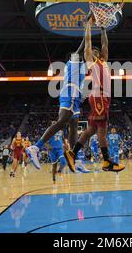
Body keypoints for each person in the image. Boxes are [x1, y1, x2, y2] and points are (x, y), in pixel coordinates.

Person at [65, 15, 124, 173]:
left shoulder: (103, 60)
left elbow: (105, 44)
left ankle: (72, 153)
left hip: (103, 97)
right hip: (99, 97)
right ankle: (106, 162)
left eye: (97, 51)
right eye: (94, 50)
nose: (96, 51)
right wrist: (89, 26)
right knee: (101, 131)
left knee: (90, 130)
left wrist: (104, 28)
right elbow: (88, 44)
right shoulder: (90, 60)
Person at [27, 39, 86, 170]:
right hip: (70, 92)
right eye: (77, 54)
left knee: (74, 125)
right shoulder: (73, 62)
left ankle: (74, 158)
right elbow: (82, 48)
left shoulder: (80, 66)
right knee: (63, 121)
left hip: (75, 95)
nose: (80, 55)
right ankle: (36, 147)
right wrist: (88, 31)